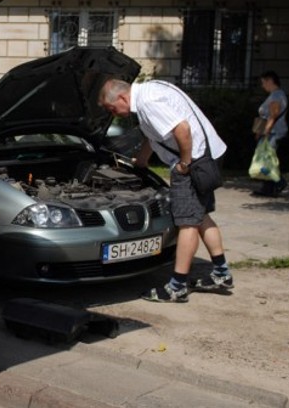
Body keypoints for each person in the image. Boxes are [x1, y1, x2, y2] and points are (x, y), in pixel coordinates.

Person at [99, 78, 232, 303]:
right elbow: (156, 135)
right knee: (200, 217)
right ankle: (221, 273)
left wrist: (184, 164)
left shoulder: (148, 102)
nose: (114, 114)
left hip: (194, 163)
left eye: (112, 109)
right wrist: (141, 161)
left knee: (187, 222)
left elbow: (182, 129)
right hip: (209, 156)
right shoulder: (151, 90)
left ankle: (177, 287)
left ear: (122, 97)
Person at [253, 70, 289, 197]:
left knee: (268, 160)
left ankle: (277, 183)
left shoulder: (277, 96)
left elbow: (272, 117)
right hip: (271, 132)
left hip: (273, 132)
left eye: (264, 82)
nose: (263, 86)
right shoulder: (275, 95)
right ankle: (268, 187)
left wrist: (265, 132)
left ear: (270, 81)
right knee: (266, 160)